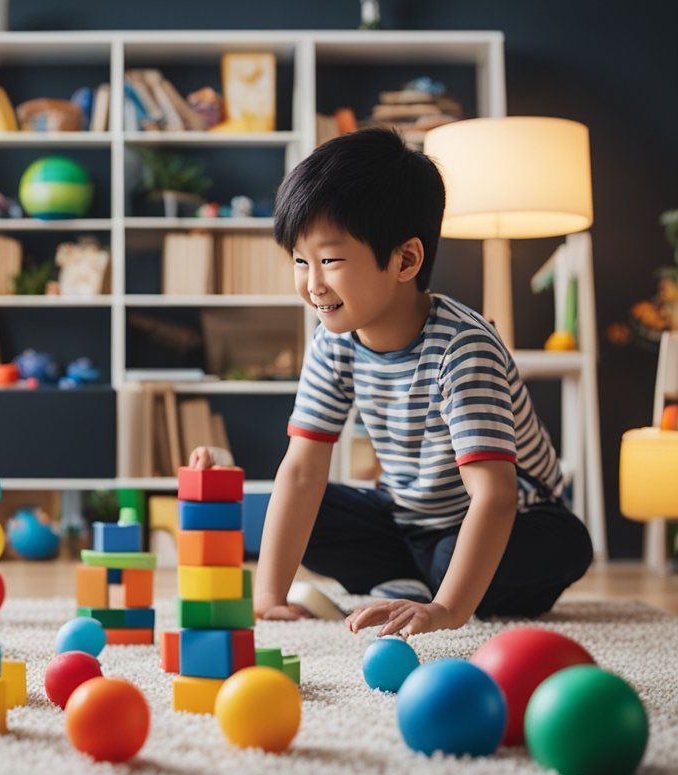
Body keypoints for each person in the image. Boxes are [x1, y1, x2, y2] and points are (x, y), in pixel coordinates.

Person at [192, 128, 592, 637]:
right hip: (408, 519)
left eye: (330, 261)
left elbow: (495, 497)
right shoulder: (332, 341)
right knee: (298, 506)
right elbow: (302, 472)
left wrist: (446, 612)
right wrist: (269, 596)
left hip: (517, 516)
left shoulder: (463, 347)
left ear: (405, 260)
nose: (312, 284)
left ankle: (431, 589)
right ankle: (412, 580)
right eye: (300, 260)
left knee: (522, 551)